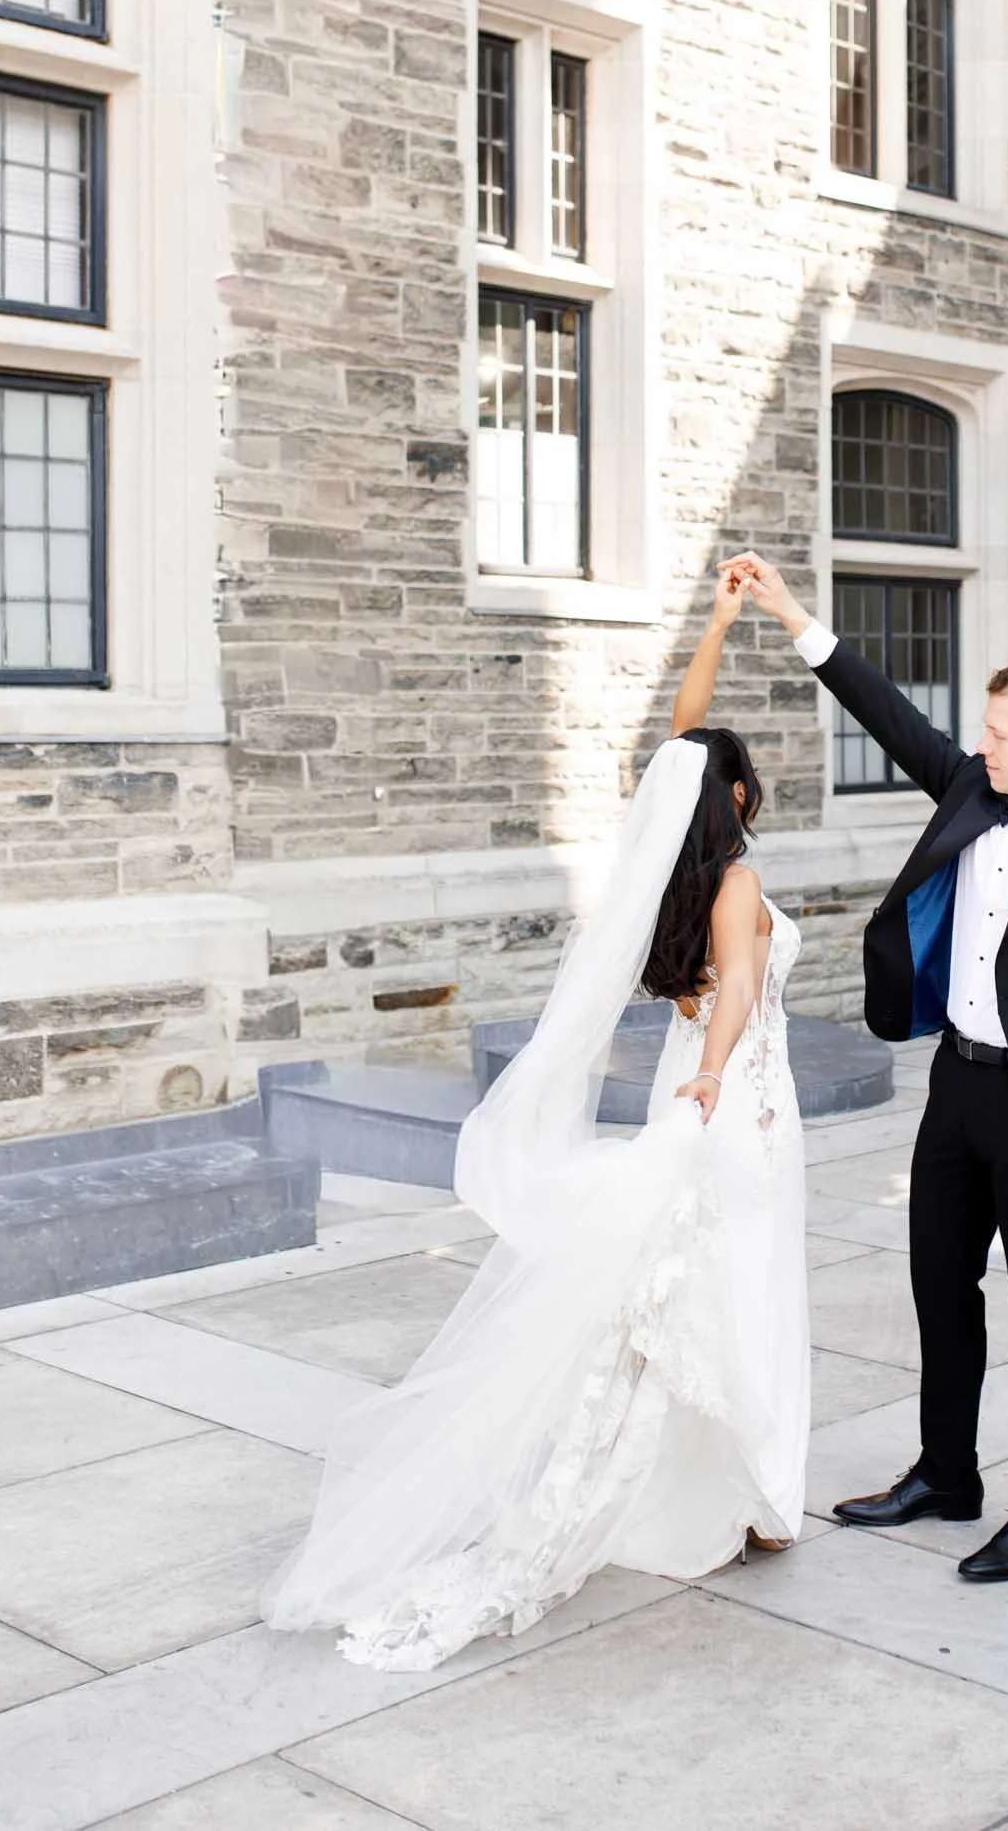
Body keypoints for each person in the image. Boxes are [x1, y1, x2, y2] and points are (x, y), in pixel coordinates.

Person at [261, 569, 809, 1669]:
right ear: (740, 801)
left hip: (689, 1088)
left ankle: (713, 1485)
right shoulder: (736, 882)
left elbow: (684, 740)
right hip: (735, 1099)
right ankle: (744, 1491)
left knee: (682, 1291)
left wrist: (713, 623)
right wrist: (710, 1075)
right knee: (739, 1282)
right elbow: (742, 990)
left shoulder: (672, 872)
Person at [724, 552, 1008, 1584]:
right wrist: (790, 611)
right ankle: (944, 1471)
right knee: (939, 1284)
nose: (979, 744)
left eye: (1000, 731)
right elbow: (885, 712)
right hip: (955, 1086)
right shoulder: (973, 789)